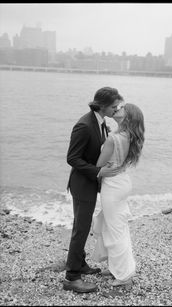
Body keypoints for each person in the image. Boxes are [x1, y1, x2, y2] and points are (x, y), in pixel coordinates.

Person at [63, 87, 124, 293]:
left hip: (89, 184)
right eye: (114, 107)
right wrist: (99, 171)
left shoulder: (100, 121)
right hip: (82, 185)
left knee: (82, 225)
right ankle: (72, 277)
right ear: (102, 106)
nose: (116, 110)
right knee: (81, 229)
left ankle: (80, 264)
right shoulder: (84, 125)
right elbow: (72, 158)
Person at [91, 103, 145, 287]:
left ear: (127, 116)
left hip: (113, 185)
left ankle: (124, 275)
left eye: (121, 108)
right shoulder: (130, 135)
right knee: (114, 225)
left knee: (116, 230)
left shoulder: (114, 138)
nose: (116, 109)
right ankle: (116, 267)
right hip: (123, 181)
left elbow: (99, 165)